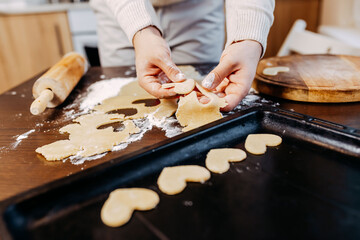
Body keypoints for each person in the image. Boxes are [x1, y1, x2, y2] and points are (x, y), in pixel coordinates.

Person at [90, 0, 275, 111]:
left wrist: (247, 38)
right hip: (121, 8)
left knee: (205, 93)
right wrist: (140, 30)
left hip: (197, 8)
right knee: (121, 95)